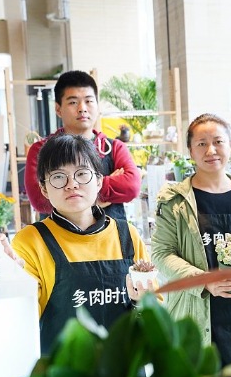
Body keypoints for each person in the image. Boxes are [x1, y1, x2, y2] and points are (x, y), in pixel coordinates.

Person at [151, 113, 231, 377]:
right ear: (190, 151)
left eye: (218, 141)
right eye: (201, 144)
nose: (211, 150)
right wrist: (206, 282)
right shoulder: (175, 202)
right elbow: (161, 254)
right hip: (195, 312)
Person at [11, 133, 151, 355]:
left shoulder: (128, 236)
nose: (72, 184)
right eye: (58, 177)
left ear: (98, 181)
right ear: (44, 188)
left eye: (82, 174)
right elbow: (21, 322)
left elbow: (155, 309)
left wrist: (143, 304)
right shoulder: (30, 242)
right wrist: (11, 279)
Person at [24, 70, 141, 220]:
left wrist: (67, 194)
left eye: (89, 101)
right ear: (58, 109)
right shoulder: (40, 150)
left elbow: (132, 187)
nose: (82, 108)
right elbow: (39, 200)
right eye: (73, 102)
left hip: (111, 238)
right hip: (56, 239)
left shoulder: (114, 147)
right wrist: (100, 192)